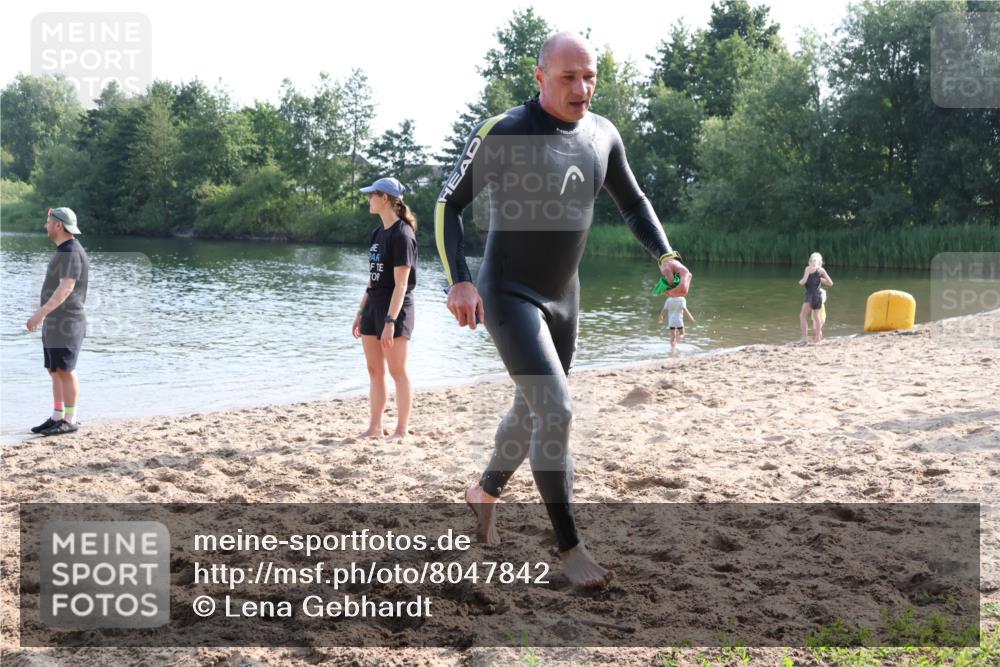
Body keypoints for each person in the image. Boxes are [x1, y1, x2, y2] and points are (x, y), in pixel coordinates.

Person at [435, 32, 691, 587]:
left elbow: (634, 200)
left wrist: (664, 254)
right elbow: (447, 204)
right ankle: (570, 548)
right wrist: (459, 280)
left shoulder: (602, 134)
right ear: (540, 77)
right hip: (508, 293)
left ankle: (484, 492)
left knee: (534, 408)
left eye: (590, 76)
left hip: (564, 297)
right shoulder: (505, 132)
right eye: (569, 77)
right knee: (557, 408)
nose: (583, 88)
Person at [352, 177, 418, 440]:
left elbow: (401, 285)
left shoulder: (403, 234)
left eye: (372, 195)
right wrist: (360, 312)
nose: (368, 199)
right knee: (374, 370)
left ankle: (401, 430)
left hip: (395, 310)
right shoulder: (377, 234)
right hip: (373, 306)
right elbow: (373, 277)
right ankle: (375, 427)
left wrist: (391, 321)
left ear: (386, 199)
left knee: (397, 371)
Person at [26, 207, 89, 436]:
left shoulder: (70, 251)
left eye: (48, 222)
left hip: (68, 321)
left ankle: (70, 419)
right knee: (55, 370)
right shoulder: (63, 250)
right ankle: (57, 416)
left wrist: (40, 313)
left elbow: (66, 288)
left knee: (65, 369)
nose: (46, 226)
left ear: (59, 225)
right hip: (56, 322)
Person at [798, 252, 833, 344]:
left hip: (810, 295)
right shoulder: (822, 270)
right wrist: (820, 279)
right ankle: (817, 339)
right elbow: (830, 283)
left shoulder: (808, 269)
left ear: (810, 261)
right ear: (820, 263)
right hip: (818, 296)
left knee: (802, 316)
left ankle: (804, 338)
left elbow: (804, 281)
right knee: (817, 317)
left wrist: (800, 281)